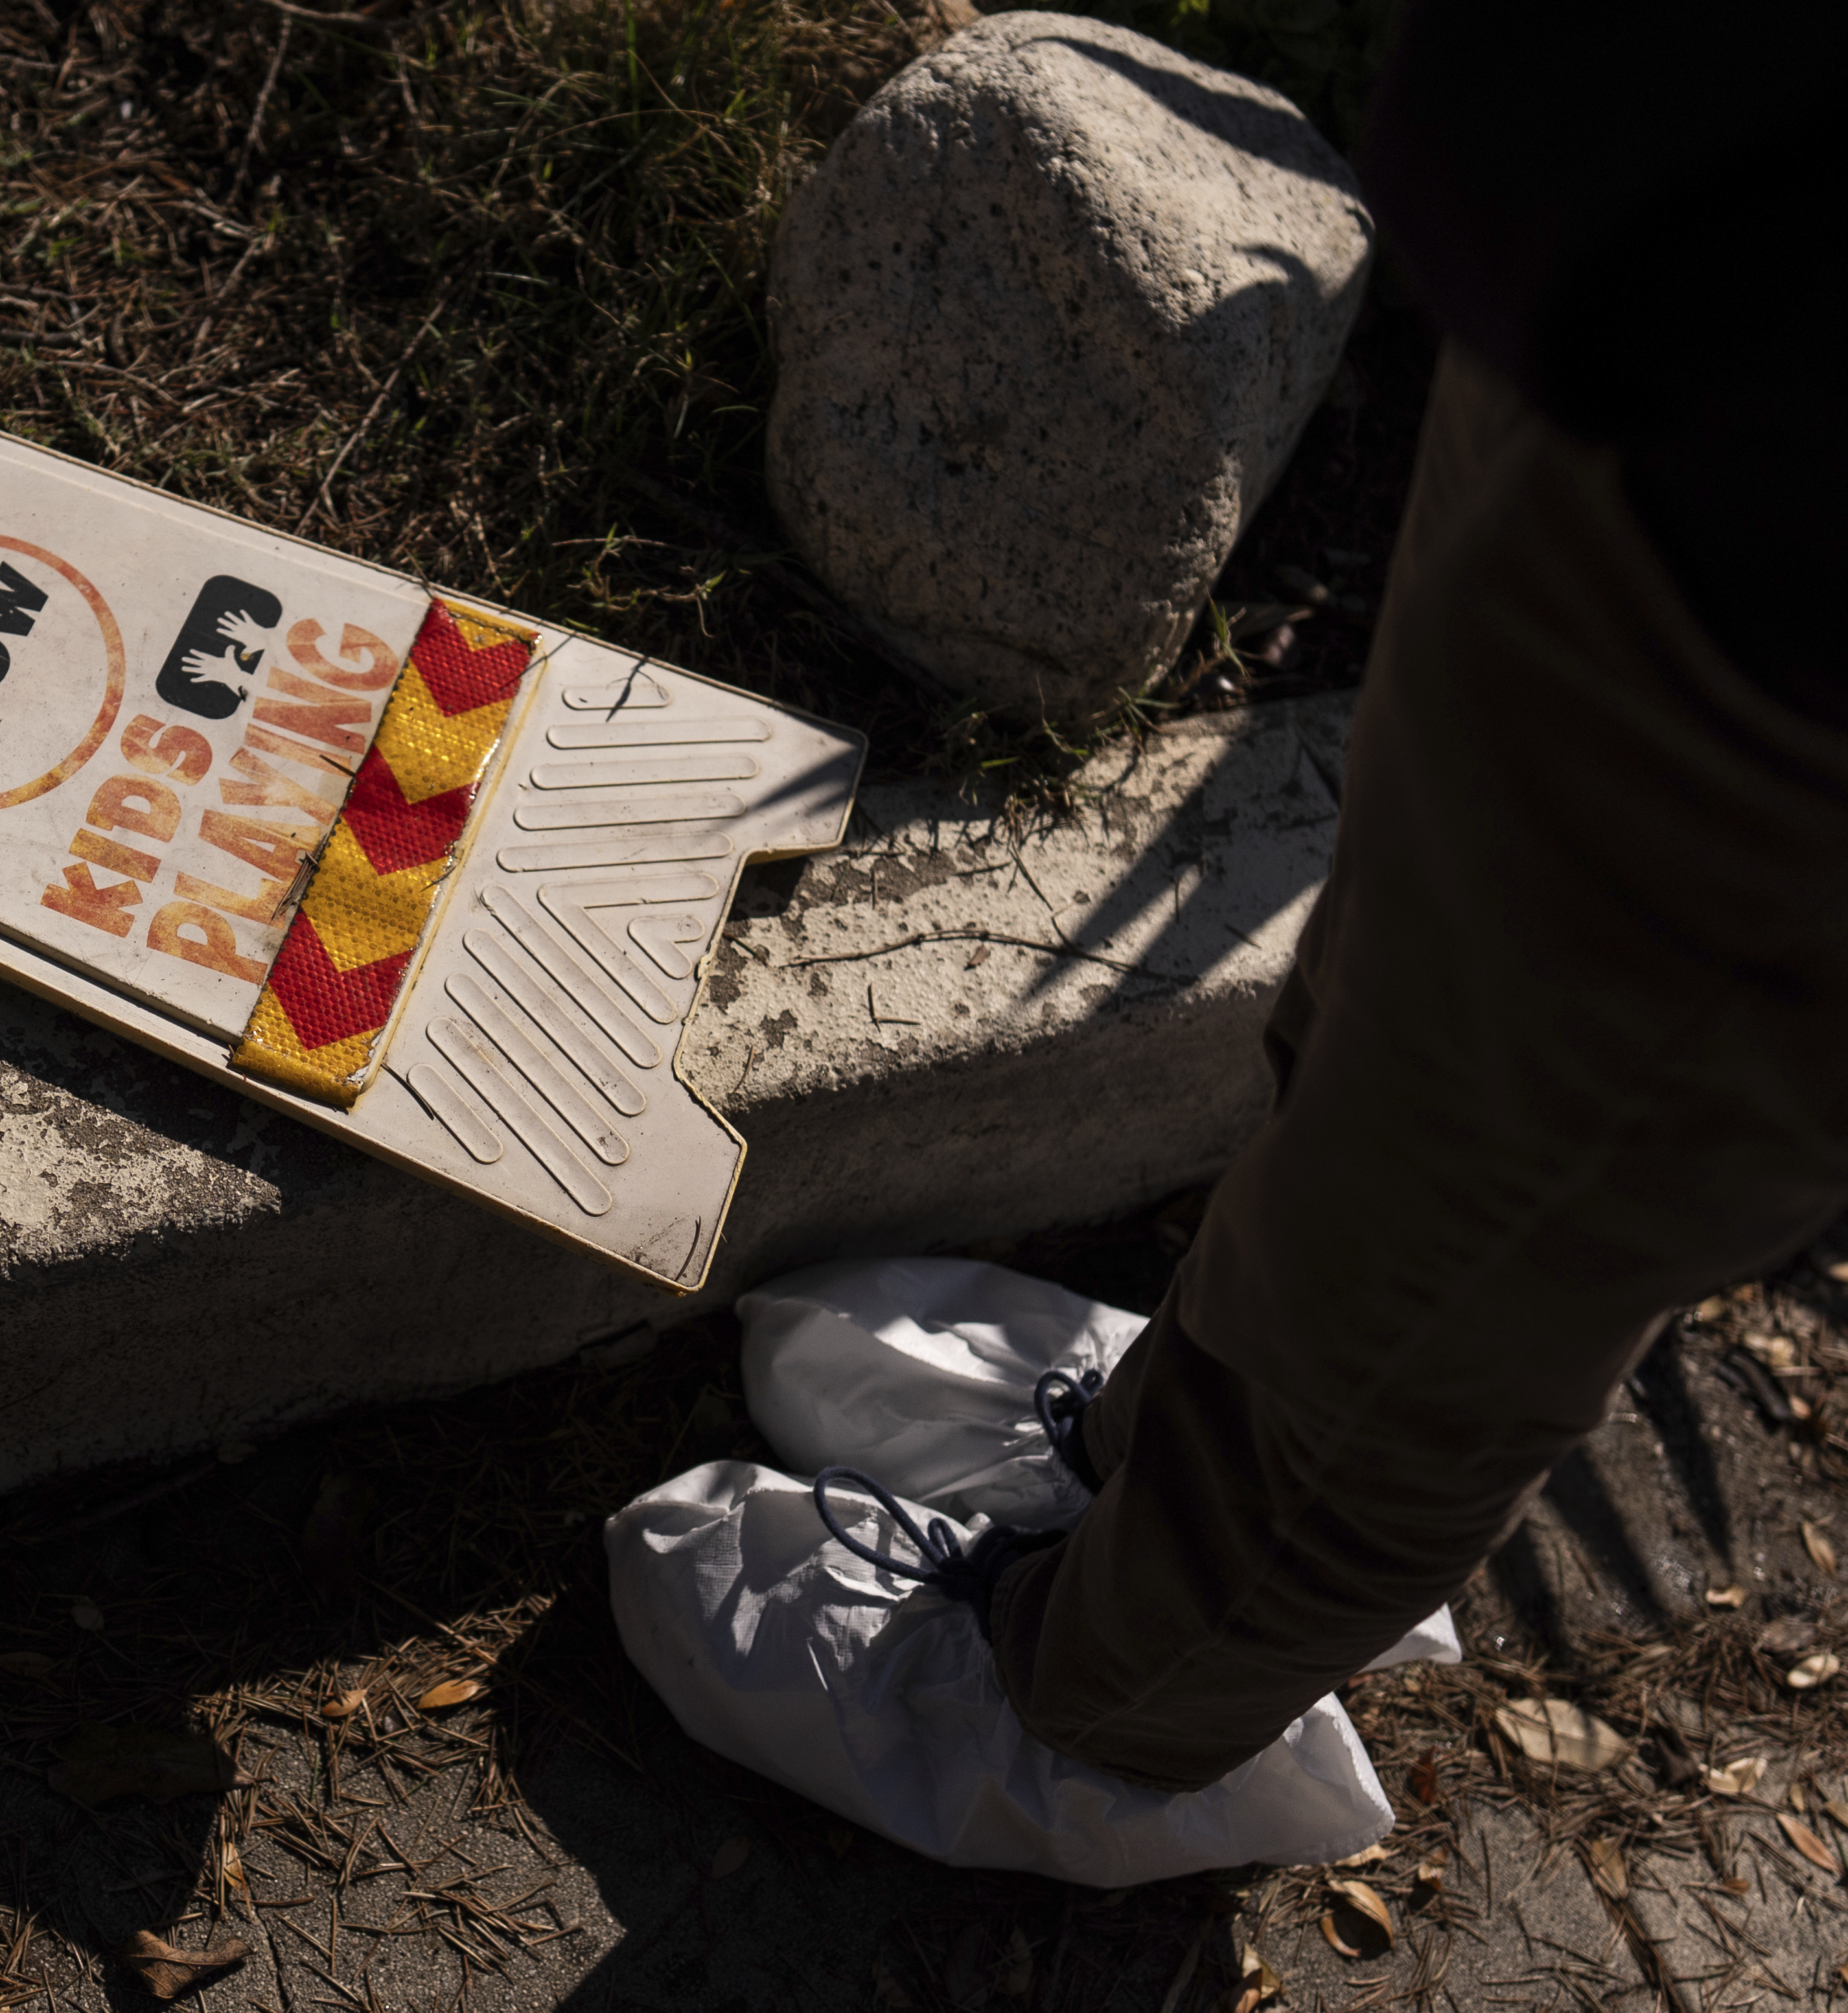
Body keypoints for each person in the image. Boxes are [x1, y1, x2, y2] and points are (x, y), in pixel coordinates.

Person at [608, 1, 1848, 1883]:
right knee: (1380, 1039)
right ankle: (1148, 1458)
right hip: (1674, 304)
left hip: (1802, 604)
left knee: (1464, 1250)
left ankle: (1103, 1712)